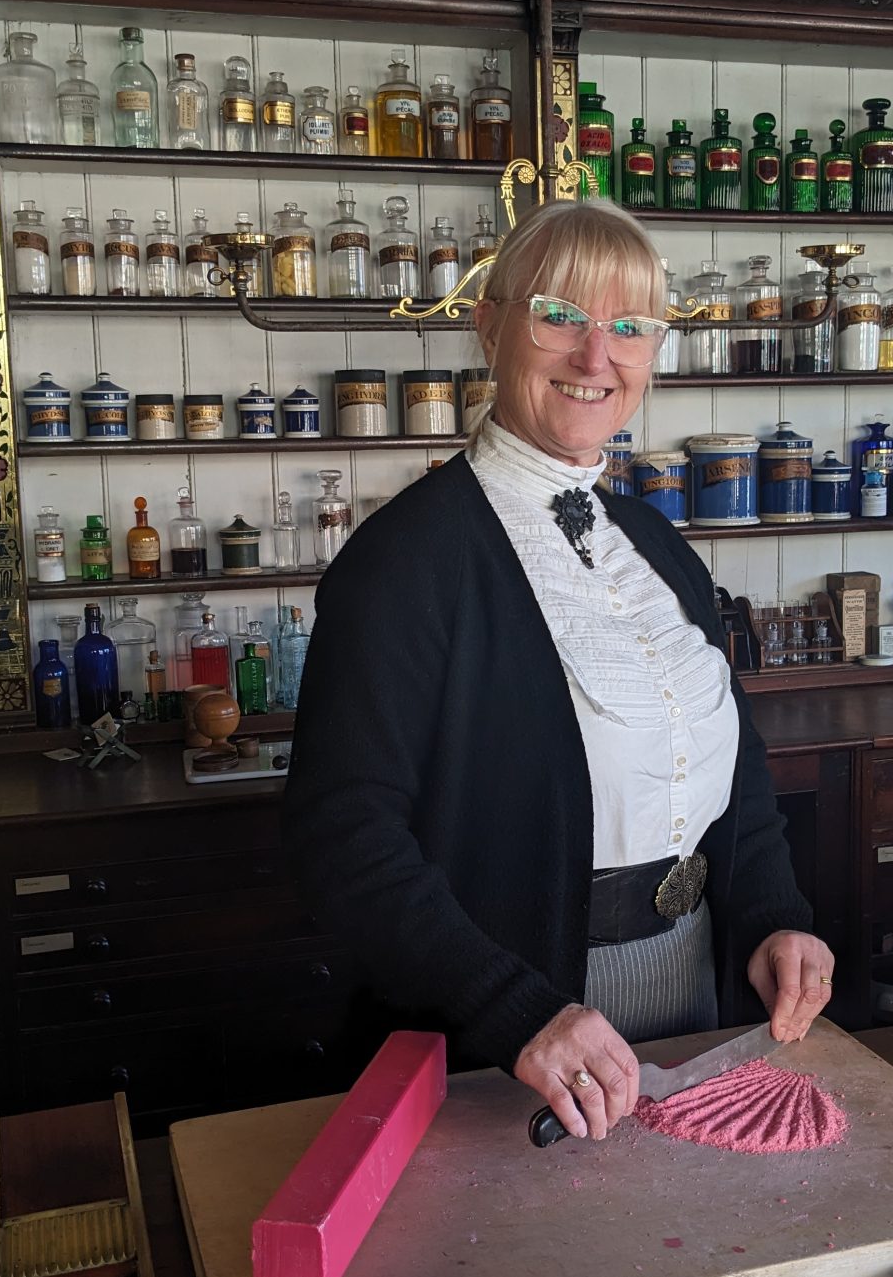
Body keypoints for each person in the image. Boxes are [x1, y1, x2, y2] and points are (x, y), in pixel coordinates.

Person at [282, 199, 834, 1145]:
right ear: (489, 325)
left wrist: (777, 916)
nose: (596, 357)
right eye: (560, 317)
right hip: (515, 1041)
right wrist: (515, 1010)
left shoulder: (657, 545)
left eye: (628, 327)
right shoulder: (403, 564)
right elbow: (344, 839)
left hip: (694, 995)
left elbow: (731, 769)